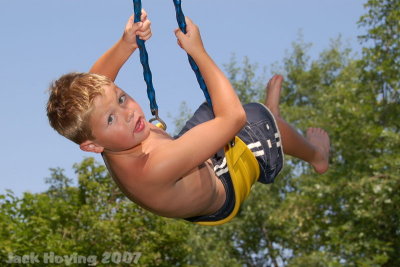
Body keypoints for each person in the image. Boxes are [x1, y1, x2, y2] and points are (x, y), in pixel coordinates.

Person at [47, 11, 330, 226]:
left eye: (121, 99)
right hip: (224, 183)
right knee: (256, 118)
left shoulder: (103, 137)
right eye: (111, 119)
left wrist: (126, 44)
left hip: (187, 161)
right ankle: (315, 155)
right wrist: (198, 51)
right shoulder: (152, 167)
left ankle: (275, 133)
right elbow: (234, 119)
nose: (129, 112)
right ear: (92, 146)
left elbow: (101, 79)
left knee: (212, 107)